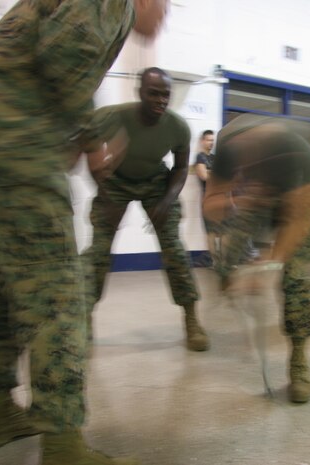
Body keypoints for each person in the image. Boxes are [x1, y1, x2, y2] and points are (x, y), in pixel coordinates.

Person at [0, 1, 169, 463]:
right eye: (165, 5)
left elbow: (48, 60)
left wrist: (69, 137)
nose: (163, 17)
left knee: (6, 287)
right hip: (15, 148)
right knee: (62, 296)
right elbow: (64, 59)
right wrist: (92, 142)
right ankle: (63, 442)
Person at [84, 67, 208, 352]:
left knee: (175, 250)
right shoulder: (113, 116)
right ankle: (84, 319)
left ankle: (191, 319)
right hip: (114, 182)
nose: (161, 100)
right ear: (140, 92)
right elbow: (88, 145)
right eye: (154, 93)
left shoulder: (177, 126)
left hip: (155, 183)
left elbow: (179, 168)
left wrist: (166, 200)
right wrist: (102, 189)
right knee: (97, 254)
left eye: (166, 95)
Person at [203, 114, 310, 403]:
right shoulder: (229, 144)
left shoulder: (298, 154)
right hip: (256, 194)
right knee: (230, 252)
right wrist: (227, 262)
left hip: (299, 195)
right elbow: (213, 201)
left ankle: (298, 359)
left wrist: (269, 264)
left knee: (295, 280)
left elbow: (297, 220)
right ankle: (227, 281)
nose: (244, 160)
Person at [193, 129, 222, 266]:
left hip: (219, 199)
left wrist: (211, 172)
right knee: (210, 231)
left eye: (212, 140)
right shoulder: (200, 157)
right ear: (202, 141)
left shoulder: (215, 158)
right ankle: (213, 260)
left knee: (221, 231)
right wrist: (213, 173)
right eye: (209, 140)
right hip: (207, 199)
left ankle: (221, 259)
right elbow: (203, 176)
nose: (211, 143)